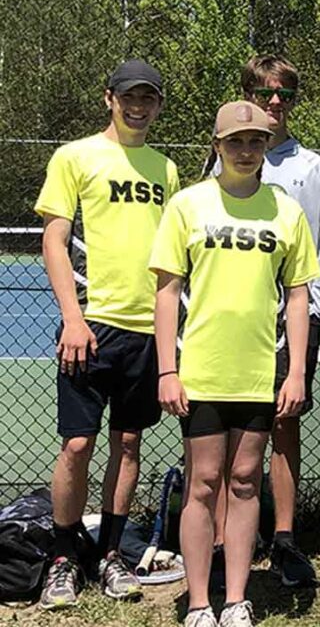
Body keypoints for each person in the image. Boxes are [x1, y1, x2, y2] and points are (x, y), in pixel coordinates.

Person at [151, 101, 319, 627]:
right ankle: (200, 601)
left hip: (258, 372)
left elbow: (298, 296)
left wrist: (294, 371)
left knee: (246, 479)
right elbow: (166, 291)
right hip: (202, 369)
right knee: (203, 481)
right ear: (218, 146)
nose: (246, 151)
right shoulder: (187, 205)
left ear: (266, 146)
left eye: (255, 142)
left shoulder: (285, 210)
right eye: (236, 142)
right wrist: (167, 369)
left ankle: (237, 599)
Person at [34, 59, 180, 610]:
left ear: (157, 105)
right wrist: (73, 318)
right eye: (129, 97)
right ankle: (63, 558)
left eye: (148, 98)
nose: (138, 107)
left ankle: (111, 554)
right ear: (109, 98)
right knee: (77, 445)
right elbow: (53, 241)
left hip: (146, 331)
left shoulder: (166, 170)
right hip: (90, 326)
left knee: (129, 442)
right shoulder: (74, 157)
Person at [206, 55, 320, 589]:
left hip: (292, 318)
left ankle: (283, 539)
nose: (275, 102)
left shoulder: (314, 166)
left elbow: (317, 244)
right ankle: (221, 540)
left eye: (285, 93)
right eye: (264, 92)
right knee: (221, 432)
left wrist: (314, 311)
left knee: (284, 423)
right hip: (228, 322)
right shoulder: (220, 163)